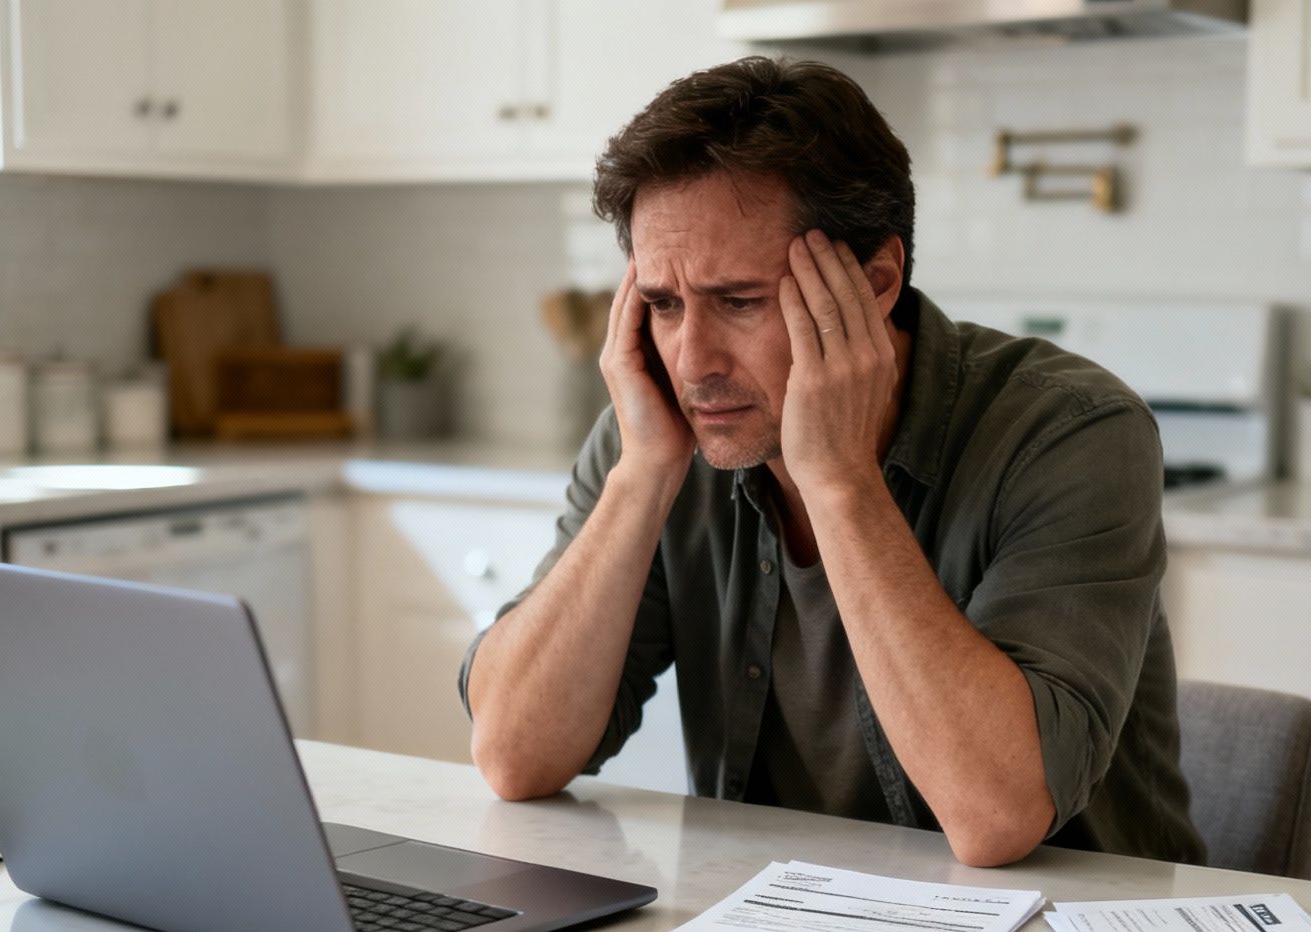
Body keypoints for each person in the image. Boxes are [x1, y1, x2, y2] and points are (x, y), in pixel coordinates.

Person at [459, 56, 1203, 869]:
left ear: (876, 279)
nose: (692, 359)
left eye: (738, 301)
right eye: (665, 306)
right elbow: (513, 757)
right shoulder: (660, 431)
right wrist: (640, 477)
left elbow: (996, 816)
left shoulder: (1071, 432)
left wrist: (842, 480)